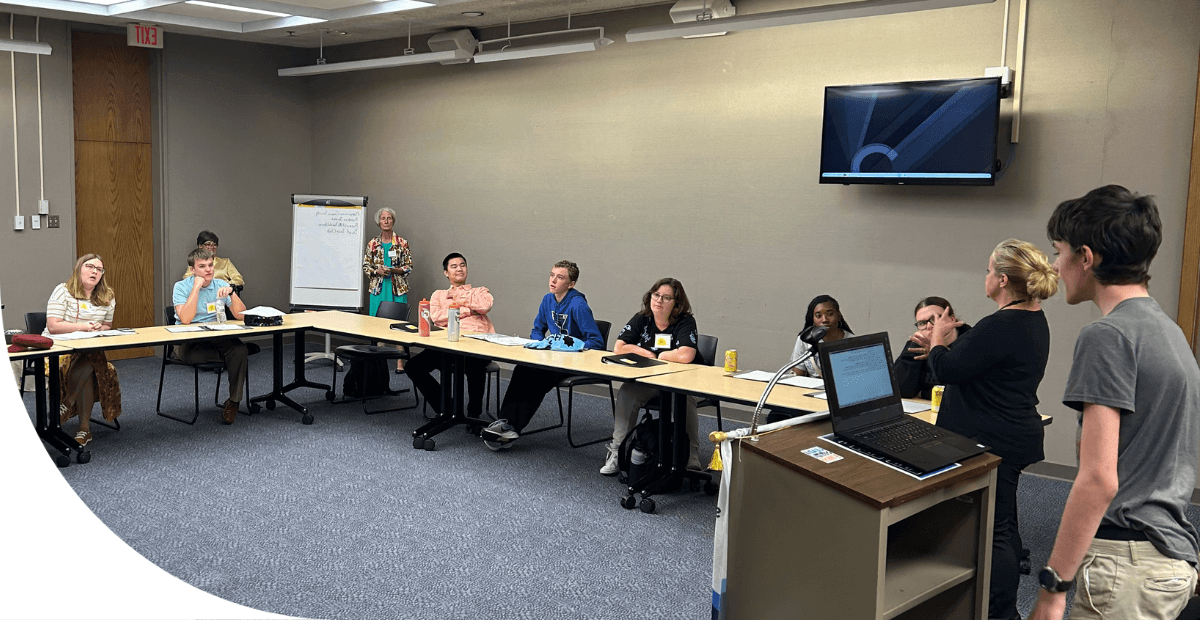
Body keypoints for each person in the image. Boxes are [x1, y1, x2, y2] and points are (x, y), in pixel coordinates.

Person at [1029, 186, 1200, 620]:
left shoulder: (1107, 336)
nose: (1054, 265)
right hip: (1167, 555)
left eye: (1058, 251)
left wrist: (1054, 588)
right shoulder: (1165, 329)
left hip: (1126, 566)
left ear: (1087, 258)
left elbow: (1099, 479)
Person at [916, 239, 1057, 620]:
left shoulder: (1001, 325)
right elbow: (983, 358)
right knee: (1005, 526)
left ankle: (1000, 612)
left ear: (1002, 279)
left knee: (996, 533)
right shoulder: (1030, 317)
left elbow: (946, 370)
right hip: (1011, 436)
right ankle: (1001, 607)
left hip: (992, 442)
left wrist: (937, 341)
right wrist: (951, 341)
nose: (986, 276)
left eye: (989, 270)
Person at [485, 260, 604, 447]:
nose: (553, 280)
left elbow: (597, 342)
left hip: (573, 361)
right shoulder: (547, 300)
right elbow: (537, 330)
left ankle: (513, 428)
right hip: (552, 357)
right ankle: (504, 422)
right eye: (552, 275)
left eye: (560, 277)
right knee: (522, 369)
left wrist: (571, 349)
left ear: (571, 284)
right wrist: (538, 346)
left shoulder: (578, 305)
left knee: (538, 379)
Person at [601, 278, 704, 476]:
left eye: (666, 298)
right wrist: (648, 354)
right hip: (650, 381)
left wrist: (655, 355)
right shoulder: (642, 318)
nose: (659, 301)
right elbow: (619, 347)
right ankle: (618, 451)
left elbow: (686, 354)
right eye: (656, 295)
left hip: (681, 381)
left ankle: (692, 453)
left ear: (676, 303)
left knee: (684, 398)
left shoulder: (685, 321)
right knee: (627, 392)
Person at [404, 253, 495, 421]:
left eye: (462, 265)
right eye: (454, 266)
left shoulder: (480, 291)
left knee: (475, 366)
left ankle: (474, 416)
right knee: (413, 366)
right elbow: (437, 317)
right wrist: (469, 310)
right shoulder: (438, 295)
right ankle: (446, 407)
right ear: (446, 272)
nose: (459, 269)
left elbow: (484, 306)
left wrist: (458, 296)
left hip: (476, 344)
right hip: (447, 346)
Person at [44, 254, 122, 446]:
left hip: (87, 348)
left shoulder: (108, 295)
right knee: (91, 362)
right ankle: (84, 429)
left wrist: (97, 329)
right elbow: (53, 326)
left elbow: (107, 325)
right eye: (90, 267)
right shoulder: (62, 291)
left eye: (99, 269)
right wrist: (84, 327)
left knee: (90, 356)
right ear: (79, 268)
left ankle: (68, 403)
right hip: (58, 350)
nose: (95, 271)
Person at [173, 247, 250, 425]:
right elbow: (185, 318)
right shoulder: (181, 287)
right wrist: (196, 288)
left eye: (210, 265)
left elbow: (241, 315)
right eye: (202, 266)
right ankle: (234, 361)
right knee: (233, 357)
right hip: (188, 341)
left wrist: (231, 292)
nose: (208, 270)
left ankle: (234, 402)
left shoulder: (220, 284)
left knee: (239, 350)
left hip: (216, 335)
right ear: (192, 270)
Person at [363, 207, 413, 371]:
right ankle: (379, 361)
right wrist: (376, 271)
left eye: (389, 218)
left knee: (398, 323)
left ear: (393, 221)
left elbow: (409, 267)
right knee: (378, 324)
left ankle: (400, 362)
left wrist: (393, 270)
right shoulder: (372, 244)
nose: (386, 221)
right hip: (378, 288)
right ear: (378, 222)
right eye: (383, 218)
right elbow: (365, 266)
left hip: (396, 288)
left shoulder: (402, 243)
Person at [893, 296, 971, 399]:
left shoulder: (970, 342)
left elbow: (961, 394)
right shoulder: (920, 343)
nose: (929, 326)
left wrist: (923, 393)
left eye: (935, 319)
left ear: (952, 319)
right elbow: (899, 390)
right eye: (922, 323)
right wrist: (914, 349)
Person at [790, 294, 853, 377]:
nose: (824, 320)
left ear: (838, 315)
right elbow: (797, 376)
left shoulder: (852, 342)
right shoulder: (805, 340)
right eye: (818, 316)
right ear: (812, 319)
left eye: (830, 314)